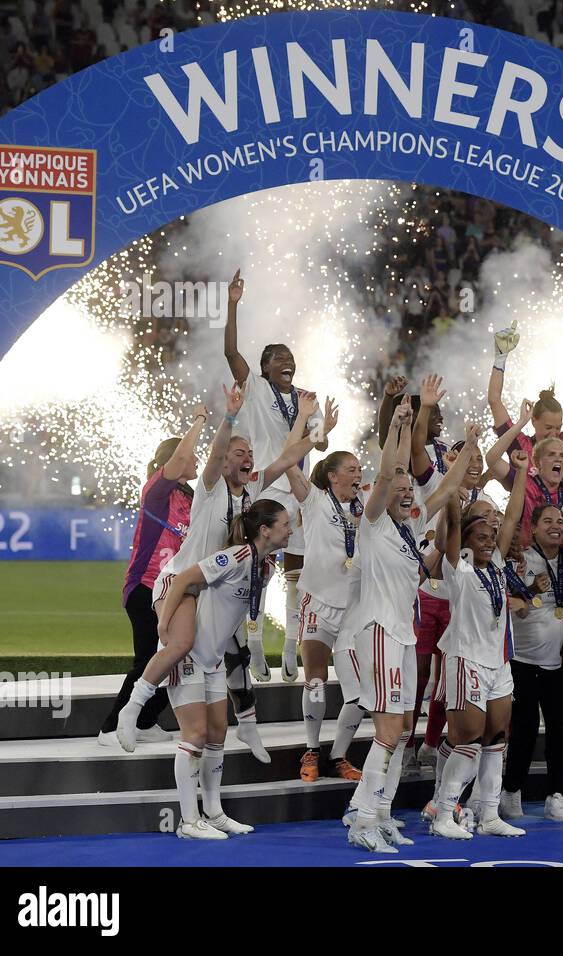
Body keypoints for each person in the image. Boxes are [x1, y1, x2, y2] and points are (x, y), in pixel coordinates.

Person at [110, 385, 329, 754]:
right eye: (239, 454)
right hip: (184, 581)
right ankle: (130, 711)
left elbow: (288, 456)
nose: (248, 459)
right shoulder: (210, 487)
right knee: (180, 643)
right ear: (225, 461)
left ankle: (248, 726)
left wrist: (313, 424)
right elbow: (214, 452)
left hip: (217, 586)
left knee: (238, 654)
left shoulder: (252, 486)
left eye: (250, 454)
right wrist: (228, 417)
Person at [341, 404, 470, 852]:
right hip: (377, 631)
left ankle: (378, 813)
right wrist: (399, 428)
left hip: (402, 635)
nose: (407, 494)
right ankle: (363, 822)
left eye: (409, 491)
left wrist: (470, 449)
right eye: (398, 489)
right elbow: (387, 475)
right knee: (389, 732)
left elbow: (449, 487)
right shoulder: (373, 524)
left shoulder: (411, 528)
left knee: (401, 732)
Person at [152, 500, 290, 839]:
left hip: (212, 658)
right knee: (195, 735)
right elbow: (183, 578)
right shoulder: (236, 556)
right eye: (285, 524)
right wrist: (165, 629)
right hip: (188, 654)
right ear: (265, 530)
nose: (291, 530)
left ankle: (213, 813)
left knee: (217, 736)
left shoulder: (266, 568)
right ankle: (187, 822)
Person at [223, 268, 328, 683]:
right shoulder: (256, 391)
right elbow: (232, 353)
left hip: (297, 493)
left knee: (297, 571)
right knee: (257, 568)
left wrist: (315, 423)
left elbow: (318, 444)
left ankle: (290, 645)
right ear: (264, 369)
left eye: (290, 358)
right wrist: (233, 304)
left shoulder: (307, 400)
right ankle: (252, 644)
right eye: (277, 358)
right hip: (263, 486)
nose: (287, 362)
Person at [426, 450, 530, 839]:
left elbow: (515, 515)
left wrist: (520, 472)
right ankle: (442, 815)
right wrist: (456, 478)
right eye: (481, 536)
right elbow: (452, 519)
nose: (489, 542)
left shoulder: (498, 563)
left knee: (496, 739)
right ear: (465, 540)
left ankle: (488, 815)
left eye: (492, 536)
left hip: (498, 664)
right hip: (466, 660)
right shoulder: (460, 566)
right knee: (467, 738)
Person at [100, 403, 208, 748]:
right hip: (145, 586)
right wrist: (199, 421)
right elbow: (178, 461)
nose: (195, 462)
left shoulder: (190, 498)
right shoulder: (156, 491)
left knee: (182, 655)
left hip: (175, 589)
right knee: (147, 659)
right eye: (190, 457)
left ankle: (145, 720)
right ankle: (110, 727)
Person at [285, 445, 367, 783]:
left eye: (360, 468)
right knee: (316, 681)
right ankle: (312, 748)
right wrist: (304, 422)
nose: (358, 473)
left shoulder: (368, 508)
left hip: (353, 611)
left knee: (360, 694)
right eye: (351, 468)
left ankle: (338, 755)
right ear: (332, 476)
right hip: (318, 603)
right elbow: (290, 462)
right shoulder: (316, 501)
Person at [499, 500, 563, 823]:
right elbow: (514, 604)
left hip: (557, 660)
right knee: (524, 728)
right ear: (533, 527)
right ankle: (511, 791)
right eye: (547, 521)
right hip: (522, 659)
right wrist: (531, 588)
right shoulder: (521, 560)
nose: (555, 525)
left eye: (559, 521)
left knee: (560, 729)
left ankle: (556, 795)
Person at [486, 319, 563, 495]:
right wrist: (500, 358)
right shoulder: (517, 442)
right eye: (548, 428)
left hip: (562, 520)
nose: (554, 433)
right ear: (533, 421)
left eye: (558, 427)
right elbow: (494, 400)